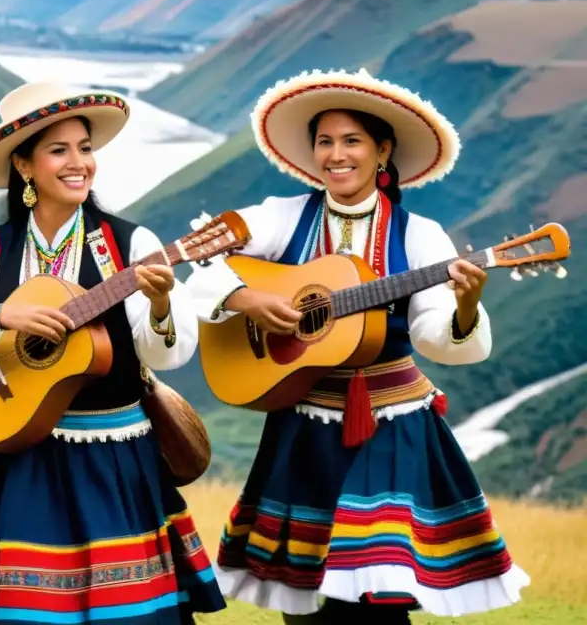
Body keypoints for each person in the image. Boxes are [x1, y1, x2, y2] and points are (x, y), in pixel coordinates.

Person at [185, 69, 530, 623]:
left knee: (378, 596)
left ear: (382, 151)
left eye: (352, 141)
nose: (335, 155)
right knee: (301, 599)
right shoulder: (282, 216)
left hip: (390, 425)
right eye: (325, 141)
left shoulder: (420, 236)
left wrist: (466, 305)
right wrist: (247, 298)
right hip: (304, 420)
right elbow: (202, 259)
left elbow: (435, 337)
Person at [0, 82, 226, 624]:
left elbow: (167, 356)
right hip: (26, 453)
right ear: (25, 165)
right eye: (60, 150)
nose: (79, 162)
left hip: (115, 455)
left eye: (85, 148)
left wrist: (158, 305)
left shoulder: (127, 242)